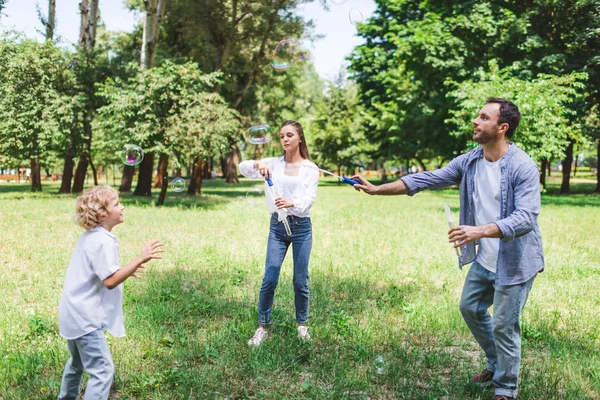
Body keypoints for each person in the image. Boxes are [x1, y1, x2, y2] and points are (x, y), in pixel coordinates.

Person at [351, 98, 543, 400]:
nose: (475, 121)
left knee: (506, 325)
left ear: (502, 127)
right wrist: (378, 189)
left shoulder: (522, 166)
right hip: (486, 259)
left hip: (515, 261)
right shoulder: (471, 161)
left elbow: (527, 217)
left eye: (483, 117)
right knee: (470, 307)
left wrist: (479, 230)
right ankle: (497, 363)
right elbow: (428, 178)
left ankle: (506, 389)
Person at [58, 185, 164, 400]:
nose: (122, 207)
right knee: (103, 370)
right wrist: (139, 258)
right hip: (85, 319)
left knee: (76, 364)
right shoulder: (103, 242)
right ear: (102, 213)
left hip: (71, 313)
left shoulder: (91, 237)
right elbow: (109, 281)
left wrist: (126, 270)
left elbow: (102, 272)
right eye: (117, 204)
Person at [239, 120, 319, 347]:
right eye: (282, 135)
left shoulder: (310, 169)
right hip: (277, 226)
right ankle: (262, 327)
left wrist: (290, 202)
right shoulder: (272, 163)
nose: (285, 139)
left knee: (300, 280)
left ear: (300, 138)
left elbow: (307, 201)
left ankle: (302, 326)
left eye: (290, 135)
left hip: (301, 227)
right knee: (269, 278)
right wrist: (257, 164)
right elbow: (242, 168)